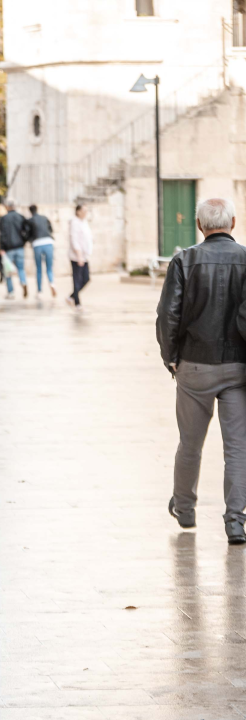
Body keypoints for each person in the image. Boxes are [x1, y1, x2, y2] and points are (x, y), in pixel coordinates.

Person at [157, 197, 246, 545]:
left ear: (200, 226)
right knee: (237, 447)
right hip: (238, 365)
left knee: (190, 443)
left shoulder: (184, 259)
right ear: (234, 223)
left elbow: (168, 315)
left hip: (194, 365)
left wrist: (171, 357)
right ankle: (236, 522)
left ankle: (184, 507)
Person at [0, 197, 29, 299]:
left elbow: (2, 234)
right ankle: (23, 281)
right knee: (21, 268)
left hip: (9, 248)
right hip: (19, 246)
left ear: (7, 206)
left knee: (8, 271)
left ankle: (11, 292)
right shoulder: (21, 217)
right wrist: (24, 241)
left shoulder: (3, 219)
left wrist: (2, 247)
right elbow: (26, 231)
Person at [67, 204, 93, 310]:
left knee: (86, 278)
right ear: (78, 211)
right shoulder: (74, 223)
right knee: (77, 279)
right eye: (84, 211)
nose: (86, 213)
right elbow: (75, 240)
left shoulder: (84, 222)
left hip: (85, 256)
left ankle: (71, 297)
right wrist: (79, 256)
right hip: (77, 256)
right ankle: (77, 302)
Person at [28, 204, 56, 297]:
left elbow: (28, 233)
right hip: (48, 242)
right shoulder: (44, 218)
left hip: (37, 244)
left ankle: (39, 291)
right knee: (49, 268)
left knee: (39, 269)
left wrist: (30, 240)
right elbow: (50, 229)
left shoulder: (30, 220)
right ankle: (52, 283)